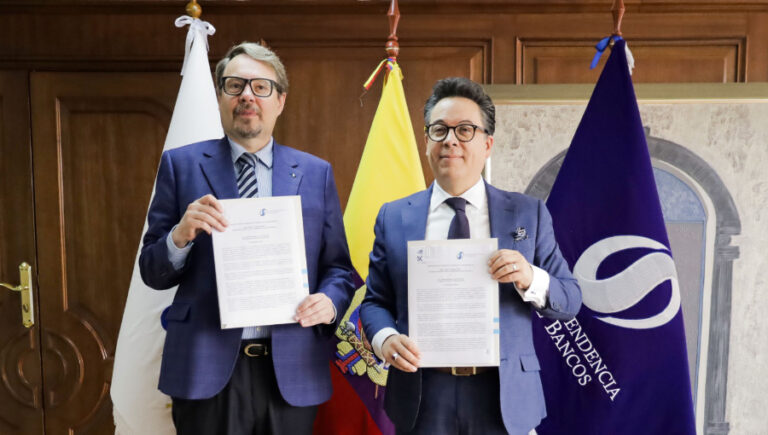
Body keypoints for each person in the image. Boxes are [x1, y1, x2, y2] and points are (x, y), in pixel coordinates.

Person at [139, 42, 355, 435]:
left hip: (291, 370)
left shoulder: (316, 173)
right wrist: (180, 236)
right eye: (235, 85)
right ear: (220, 97)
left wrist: (329, 301)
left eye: (261, 87)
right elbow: (152, 272)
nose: (247, 96)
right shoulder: (181, 165)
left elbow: (339, 269)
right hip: (205, 368)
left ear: (280, 100)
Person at [360, 77, 582, 435]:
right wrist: (385, 338)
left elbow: (570, 299)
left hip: (503, 394)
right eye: (439, 130)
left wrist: (529, 277)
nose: (450, 140)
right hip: (423, 393)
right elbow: (375, 301)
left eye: (465, 130)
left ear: (487, 143)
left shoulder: (528, 214)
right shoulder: (394, 216)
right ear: (427, 141)